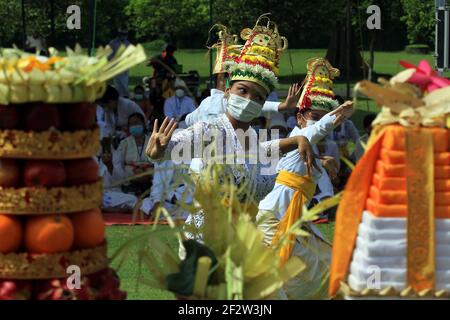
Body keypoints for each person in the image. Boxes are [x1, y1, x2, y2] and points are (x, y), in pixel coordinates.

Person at [146, 17, 318, 252]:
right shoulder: (210, 130)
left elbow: (260, 151)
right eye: (243, 90)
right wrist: (158, 150)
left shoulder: (252, 139)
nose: (249, 100)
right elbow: (173, 146)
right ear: (228, 90)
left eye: (258, 97)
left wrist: (297, 140)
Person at [256, 58, 354, 300]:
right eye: (315, 116)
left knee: (327, 266)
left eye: (323, 116)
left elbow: (303, 154)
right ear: (300, 118)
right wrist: (336, 116)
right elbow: (316, 131)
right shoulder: (302, 136)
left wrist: (321, 160)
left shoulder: (303, 144)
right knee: (275, 281)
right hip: (275, 220)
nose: (319, 121)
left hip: (294, 221)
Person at [112, 113, 153, 196]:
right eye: (131, 124)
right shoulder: (124, 143)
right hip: (130, 179)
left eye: (137, 123)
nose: (134, 126)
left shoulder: (152, 141)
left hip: (151, 178)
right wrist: (130, 178)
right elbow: (118, 164)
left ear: (144, 124)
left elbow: (159, 162)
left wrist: (147, 175)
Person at [108, 26, 131, 97]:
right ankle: (123, 98)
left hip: (125, 68)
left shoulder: (128, 43)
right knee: (120, 85)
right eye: (122, 34)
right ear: (119, 34)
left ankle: (123, 98)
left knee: (125, 84)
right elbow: (109, 56)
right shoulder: (113, 43)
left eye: (125, 34)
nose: (124, 36)